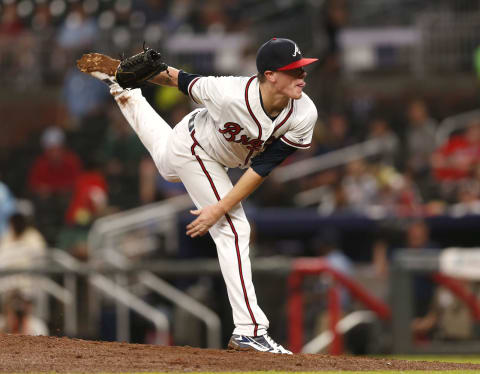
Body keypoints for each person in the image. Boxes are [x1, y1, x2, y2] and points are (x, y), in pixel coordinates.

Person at [81, 37, 319, 354]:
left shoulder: (304, 114)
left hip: (209, 153)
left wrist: (219, 206)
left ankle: (121, 89)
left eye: (303, 68)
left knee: (167, 166)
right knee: (235, 229)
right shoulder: (228, 93)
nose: (302, 76)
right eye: (294, 71)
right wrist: (137, 69)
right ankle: (250, 330)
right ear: (270, 75)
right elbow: (176, 79)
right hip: (197, 147)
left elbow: (262, 167)